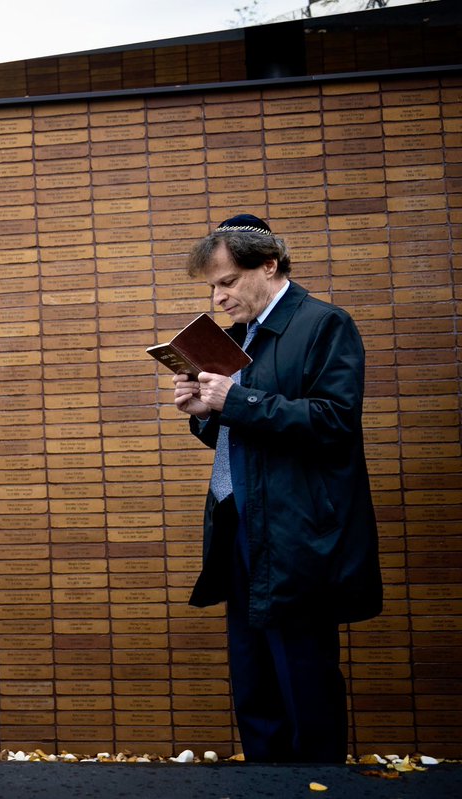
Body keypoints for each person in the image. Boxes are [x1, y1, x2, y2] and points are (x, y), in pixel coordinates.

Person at [171, 213, 382, 763]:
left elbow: (335, 421)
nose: (218, 298)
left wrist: (234, 401)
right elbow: (250, 433)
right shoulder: (237, 339)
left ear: (269, 265)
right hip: (239, 528)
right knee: (254, 680)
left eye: (227, 282)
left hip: (297, 536)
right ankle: (264, 785)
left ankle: (318, 786)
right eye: (212, 287)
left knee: (302, 678)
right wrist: (204, 413)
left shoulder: (323, 324)